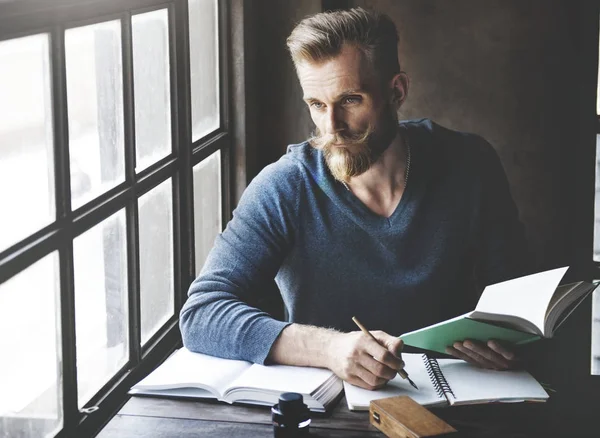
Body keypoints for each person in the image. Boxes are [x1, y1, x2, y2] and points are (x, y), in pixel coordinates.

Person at [180, 7, 530, 391]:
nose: (332, 128)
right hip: (331, 408)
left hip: (460, 395)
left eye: (350, 100)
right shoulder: (285, 186)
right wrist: (329, 347)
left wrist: (508, 341)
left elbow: (515, 297)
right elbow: (202, 313)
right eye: (316, 104)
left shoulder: (470, 164)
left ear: (396, 91)